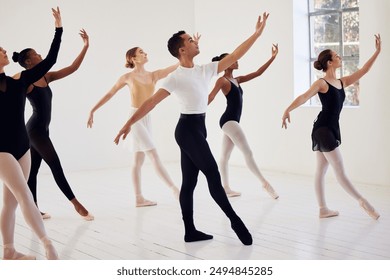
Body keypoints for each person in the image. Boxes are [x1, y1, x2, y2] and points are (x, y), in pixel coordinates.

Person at [115, 12, 270, 245]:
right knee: (213, 175)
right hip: (187, 131)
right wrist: (128, 124)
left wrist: (256, 34)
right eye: (189, 40)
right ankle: (235, 221)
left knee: (189, 183)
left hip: (198, 129)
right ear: (181, 50)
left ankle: (190, 231)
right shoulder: (174, 77)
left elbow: (236, 54)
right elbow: (151, 102)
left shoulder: (205, 70)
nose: (194, 42)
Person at [282, 34, 381, 220]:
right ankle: (363, 202)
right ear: (329, 62)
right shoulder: (321, 83)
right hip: (323, 129)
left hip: (330, 129)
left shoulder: (341, 82)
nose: (340, 57)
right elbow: (304, 97)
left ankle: (322, 209)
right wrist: (288, 109)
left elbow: (364, 70)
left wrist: (377, 52)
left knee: (321, 170)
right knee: (339, 169)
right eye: (336, 56)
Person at [0, 7, 63, 260]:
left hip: (22, 146)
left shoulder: (21, 80)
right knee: (25, 194)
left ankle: (9, 251)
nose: (4, 51)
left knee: (11, 202)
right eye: (0, 50)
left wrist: (59, 29)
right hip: (0, 149)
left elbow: (49, 61)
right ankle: (47, 244)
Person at [14, 29, 93, 221]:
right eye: (35, 54)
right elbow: (9, 88)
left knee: (33, 172)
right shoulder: (24, 79)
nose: (40, 55)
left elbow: (73, 67)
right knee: (55, 164)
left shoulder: (46, 77)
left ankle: (33, 210)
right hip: (34, 132)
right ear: (29, 61)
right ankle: (76, 203)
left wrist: (85, 47)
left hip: (42, 130)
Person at [87, 47, 180, 207]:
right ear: (133, 58)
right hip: (134, 118)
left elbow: (177, 66)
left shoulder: (154, 75)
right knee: (153, 155)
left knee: (138, 160)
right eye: (142, 52)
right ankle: (175, 191)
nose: (146, 53)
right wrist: (92, 110)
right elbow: (110, 94)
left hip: (146, 118)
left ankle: (139, 198)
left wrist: (186, 54)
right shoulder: (127, 77)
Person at [208, 44, 279, 198]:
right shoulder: (222, 81)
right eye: (233, 59)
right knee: (248, 152)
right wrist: (196, 110)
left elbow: (258, 73)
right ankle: (265, 184)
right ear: (226, 63)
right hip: (229, 121)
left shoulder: (237, 80)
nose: (237, 60)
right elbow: (211, 96)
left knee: (224, 157)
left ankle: (225, 187)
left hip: (231, 121)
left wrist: (272, 58)